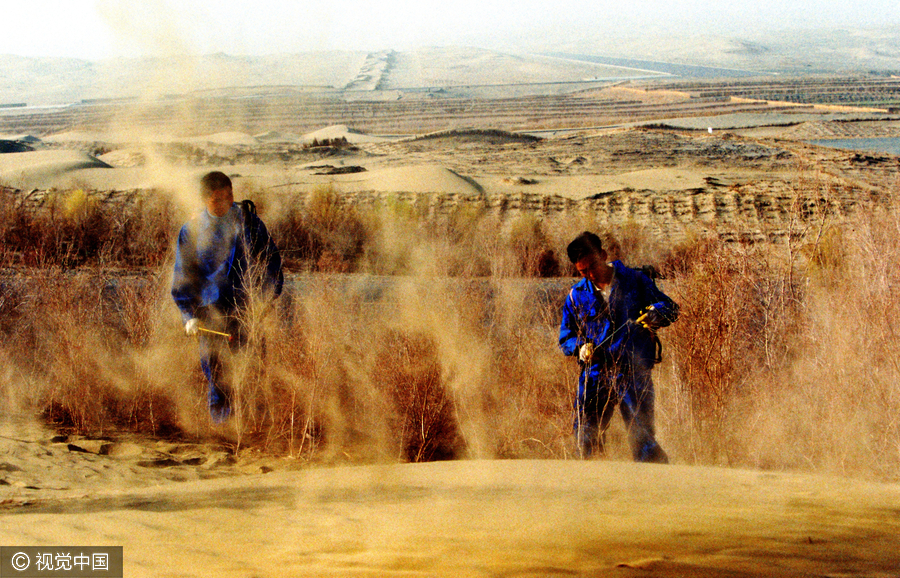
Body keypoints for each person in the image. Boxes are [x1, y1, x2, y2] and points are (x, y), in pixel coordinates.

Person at [171, 171, 284, 422]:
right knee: (218, 376)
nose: (225, 203)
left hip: (247, 311)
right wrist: (188, 316)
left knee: (253, 372)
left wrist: (264, 299)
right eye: (217, 199)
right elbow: (183, 277)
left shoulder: (250, 224)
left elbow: (271, 263)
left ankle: (256, 431)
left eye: (229, 196)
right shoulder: (191, 231)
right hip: (210, 314)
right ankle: (224, 433)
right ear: (204, 200)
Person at [559, 231, 677, 462]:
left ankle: (661, 489)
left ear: (602, 254)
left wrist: (655, 314)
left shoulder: (635, 281)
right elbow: (566, 338)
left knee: (642, 439)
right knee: (585, 439)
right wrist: (579, 347)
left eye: (593, 266)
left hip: (633, 374)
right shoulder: (576, 296)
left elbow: (670, 308)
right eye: (583, 271)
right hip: (594, 376)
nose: (590, 274)